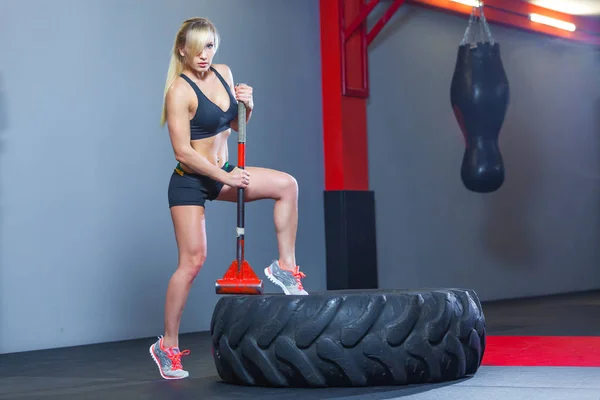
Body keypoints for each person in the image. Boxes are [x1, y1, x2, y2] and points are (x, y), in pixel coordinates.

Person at [149, 17, 309, 380]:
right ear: (181, 50)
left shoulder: (223, 72)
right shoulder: (179, 90)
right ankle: (168, 346)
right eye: (195, 47)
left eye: (209, 46)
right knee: (192, 263)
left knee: (288, 185)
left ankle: (285, 268)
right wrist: (226, 176)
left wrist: (248, 105)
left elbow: (235, 125)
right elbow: (183, 152)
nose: (203, 55)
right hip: (191, 181)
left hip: (223, 174)